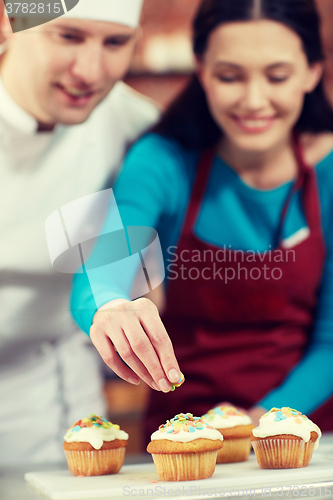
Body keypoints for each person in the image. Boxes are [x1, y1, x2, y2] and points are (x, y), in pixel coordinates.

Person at [71, 0, 333, 441]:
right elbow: (103, 264)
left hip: (301, 436)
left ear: (312, 71)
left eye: (277, 76)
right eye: (229, 76)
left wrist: (259, 421)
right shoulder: (163, 162)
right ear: (202, 69)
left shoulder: (327, 174)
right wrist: (110, 308)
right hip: (182, 435)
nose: (253, 100)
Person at [0, 0, 159, 465]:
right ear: (10, 24)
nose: (90, 71)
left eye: (115, 42)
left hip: (44, 394)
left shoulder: (134, 126)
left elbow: (107, 252)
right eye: (67, 36)